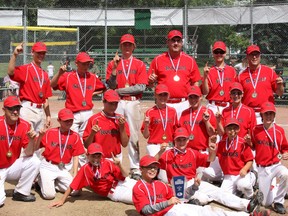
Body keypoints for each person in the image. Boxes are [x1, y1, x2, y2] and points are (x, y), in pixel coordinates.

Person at [156, 127, 259, 213]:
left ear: (188, 140)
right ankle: (193, 202)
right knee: (203, 199)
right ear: (174, 141)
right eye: (178, 140)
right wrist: (160, 152)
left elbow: (210, 159)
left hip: (194, 182)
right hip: (179, 186)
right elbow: (153, 163)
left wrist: (212, 150)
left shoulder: (192, 152)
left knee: (218, 192)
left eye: (184, 139)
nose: (181, 142)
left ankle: (247, 205)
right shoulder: (168, 154)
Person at [133, 155, 268, 216]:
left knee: (208, 211)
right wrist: (167, 203)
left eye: (155, 168)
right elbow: (145, 211)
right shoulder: (138, 187)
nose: (153, 170)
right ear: (141, 169)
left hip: (173, 210)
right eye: (149, 168)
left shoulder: (159, 184)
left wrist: (194, 188)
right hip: (166, 214)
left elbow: (180, 197)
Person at [106, 33, 148, 179]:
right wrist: (113, 70)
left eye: (130, 44)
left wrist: (119, 91)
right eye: (124, 44)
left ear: (134, 46)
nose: (127, 47)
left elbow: (141, 87)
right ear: (120, 46)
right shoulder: (113, 63)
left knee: (133, 135)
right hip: (117, 102)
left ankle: (134, 167)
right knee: (115, 133)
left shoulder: (139, 64)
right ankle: (114, 165)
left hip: (132, 101)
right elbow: (110, 86)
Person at [49, 143, 137, 208]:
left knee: (144, 187)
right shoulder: (85, 169)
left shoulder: (107, 162)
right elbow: (72, 185)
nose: (96, 159)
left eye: (98, 156)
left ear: (101, 156)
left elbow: (125, 176)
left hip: (122, 182)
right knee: (137, 199)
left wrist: (120, 165)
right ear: (87, 156)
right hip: (114, 192)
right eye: (93, 156)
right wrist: (62, 200)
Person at [148, 30, 201, 119]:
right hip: (164, 103)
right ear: (168, 42)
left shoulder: (190, 60)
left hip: (184, 103)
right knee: (166, 131)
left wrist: (196, 100)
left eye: (178, 40)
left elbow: (195, 83)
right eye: (173, 40)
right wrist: (151, 81)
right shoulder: (158, 60)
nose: (176, 43)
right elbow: (150, 84)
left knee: (184, 131)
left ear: (181, 43)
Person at [50, 52, 106, 137]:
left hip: (87, 113)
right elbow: (52, 85)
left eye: (87, 64)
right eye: (83, 64)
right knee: (72, 140)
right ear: (76, 63)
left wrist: (92, 93)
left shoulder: (92, 77)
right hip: (73, 114)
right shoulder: (68, 76)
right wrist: (59, 73)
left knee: (86, 140)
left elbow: (103, 88)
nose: (86, 66)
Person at [34, 108, 85, 200]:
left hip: (62, 168)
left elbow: (76, 156)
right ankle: (39, 180)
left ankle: (53, 182)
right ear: (59, 120)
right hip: (48, 166)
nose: (69, 122)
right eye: (66, 120)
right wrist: (41, 136)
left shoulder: (75, 136)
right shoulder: (50, 132)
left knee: (76, 191)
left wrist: (75, 174)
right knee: (49, 195)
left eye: (71, 120)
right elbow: (36, 147)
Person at [248, 102, 288, 214]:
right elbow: (254, 147)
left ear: (274, 116)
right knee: (265, 203)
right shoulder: (255, 130)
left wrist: (286, 153)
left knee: (285, 173)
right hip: (262, 168)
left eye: (271, 114)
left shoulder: (279, 131)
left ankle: (279, 201)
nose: (268, 116)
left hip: (275, 165)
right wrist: (248, 142)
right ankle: (281, 190)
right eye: (266, 114)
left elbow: (285, 148)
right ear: (261, 116)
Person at [0, 96, 40, 207]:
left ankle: (21, 192)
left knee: (34, 161)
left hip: (11, 166)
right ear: (4, 110)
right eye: (11, 109)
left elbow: (29, 153)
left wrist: (32, 141)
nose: (15, 111)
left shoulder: (25, 125)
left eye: (18, 108)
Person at [7, 42, 52, 132]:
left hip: (40, 111)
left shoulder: (45, 74)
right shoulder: (26, 69)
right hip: (28, 109)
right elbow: (11, 72)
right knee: (26, 141)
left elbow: (45, 98)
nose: (41, 55)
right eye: (38, 53)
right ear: (32, 53)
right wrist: (15, 55)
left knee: (36, 142)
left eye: (43, 53)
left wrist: (48, 115)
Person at [238, 45, 284, 124]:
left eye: (257, 54)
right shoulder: (241, 76)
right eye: (252, 54)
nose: (254, 57)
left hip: (267, 114)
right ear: (247, 56)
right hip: (249, 114)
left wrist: (280, 85)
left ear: (260, 56)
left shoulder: (269, 72)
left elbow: (280, 93)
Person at [141, 84, 178, 182]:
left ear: (168, 96)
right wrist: (147, 125)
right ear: (155, 95)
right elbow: (145, 136)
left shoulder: (173, 111)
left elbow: (175, 131)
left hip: (169, 145)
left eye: (165, 95)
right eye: (160, 95)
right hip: (154, 145)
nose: (163, 97)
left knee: (173, 175)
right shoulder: (150, 112)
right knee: (165, 179)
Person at [83, 90, 130, 162]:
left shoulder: (120, 119)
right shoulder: (94, 119)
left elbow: (125, 144)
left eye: (115, 104)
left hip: (115, 158)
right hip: (98, 158)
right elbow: (86, 145)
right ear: (104, 102)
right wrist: (92, 133)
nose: (113, 106)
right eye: (111, 103)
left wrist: (122, 127)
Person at [217, 117, 256, 199]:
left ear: (239, 129)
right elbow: (213, 156)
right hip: (229, 176)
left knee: (243, 185)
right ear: (225, 130)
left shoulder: (242, 143)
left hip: (241, 174)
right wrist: (211, 148)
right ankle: (238, 192)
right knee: (223, 197)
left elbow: (250, 160)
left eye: (235, 128)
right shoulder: (221, 144)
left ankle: (251, 195)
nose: (232, 131)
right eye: (229, 128)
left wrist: (245, 169)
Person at [202, 41, 238, 114]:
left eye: (221, 52)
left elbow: (236, 90)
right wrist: (205, 77)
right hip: (213, 107)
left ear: (225, 53)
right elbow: (205, 92)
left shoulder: (232, 70)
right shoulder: (209, 71)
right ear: (213, 54)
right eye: (216, 52)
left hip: (228, 106)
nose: (219, 54)